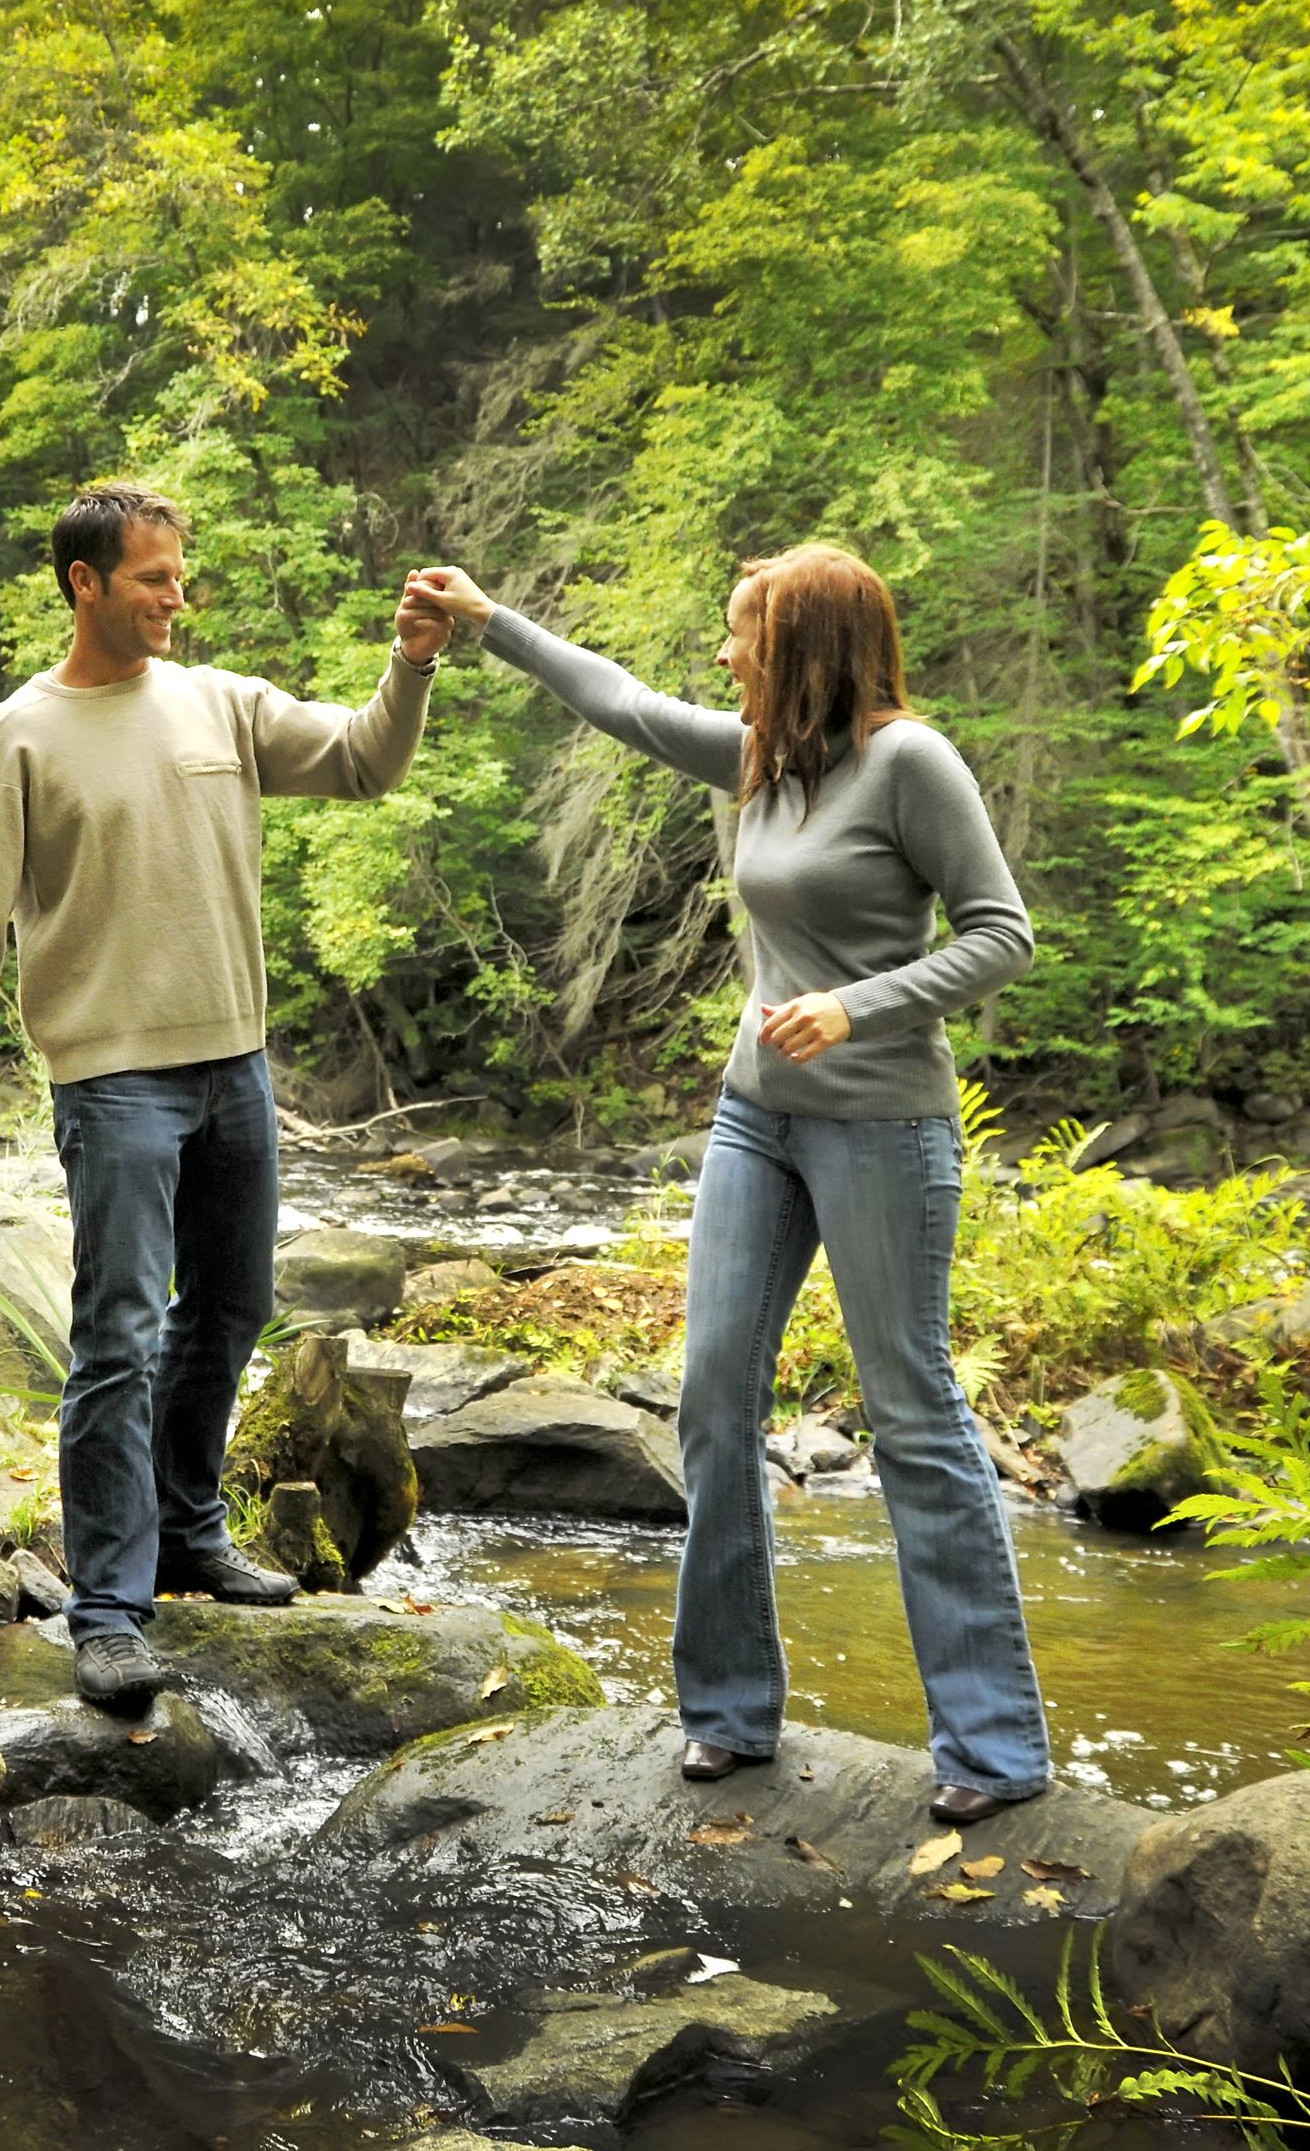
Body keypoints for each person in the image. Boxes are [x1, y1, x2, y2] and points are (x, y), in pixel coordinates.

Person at [399, 550, 1051, 1824]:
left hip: (882, 1129)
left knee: (912, 1411)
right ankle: (731, 1712)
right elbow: (623, 701)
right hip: (757, 1119)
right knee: (710, 1397)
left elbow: (1001, 932)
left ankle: (993, 1746)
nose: (722, 658)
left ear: (804, 645)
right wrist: (489, 626)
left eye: (742, 635)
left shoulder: (911, 763)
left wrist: (856, 1006)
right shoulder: (763, 757)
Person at [0, 482, 447, 1711]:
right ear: (84, 583)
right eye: (153, 577)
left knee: (232, 1307)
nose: (176, 596)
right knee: (118, 1335)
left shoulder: (222, 703)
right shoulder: (21, 734)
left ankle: (188, 1531)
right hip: (111, 1081)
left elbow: (367, 760)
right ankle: (107, 1609)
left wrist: (411, 665)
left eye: (179, 575)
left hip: (236, 1066)